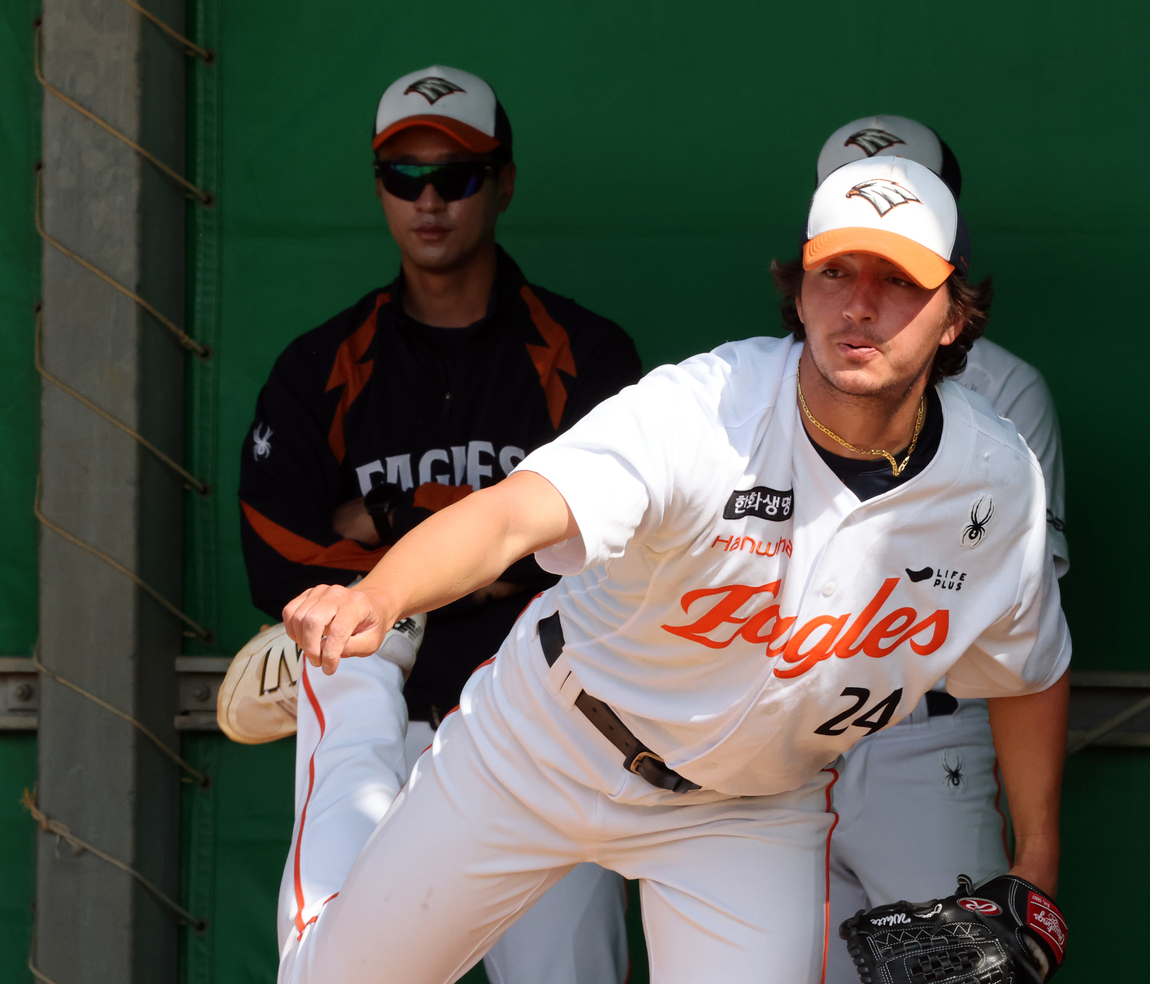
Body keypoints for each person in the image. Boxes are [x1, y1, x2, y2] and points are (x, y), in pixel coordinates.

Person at [276, 154, 1071, 984]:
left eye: (899, 279)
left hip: (747, 811)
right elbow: (515, 511)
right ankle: (353, 692)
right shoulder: (707, 407)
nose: (859, 304)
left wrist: (1037, 863)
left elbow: (1028, 662)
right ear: (797, 291)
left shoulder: (992, 478)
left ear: (954, 316)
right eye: (833, 270)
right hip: (548, 743)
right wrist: (379, 594)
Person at [224, 66, 641, 984]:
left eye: (454, 177)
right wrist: (483, 548)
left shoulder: (588, 356)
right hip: (384, 721)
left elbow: (627, 553)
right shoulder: (320, 367)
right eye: (401, 175)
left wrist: (388, 523)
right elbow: (279, 556)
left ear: (502, 183)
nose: (427, 200)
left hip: (543, 729)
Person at [806, 115, 1069, 983]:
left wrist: (1036, 854)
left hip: (930, 741)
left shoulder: (1004, 390)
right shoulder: (774, 379)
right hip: (783, 745)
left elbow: (1019, 623)